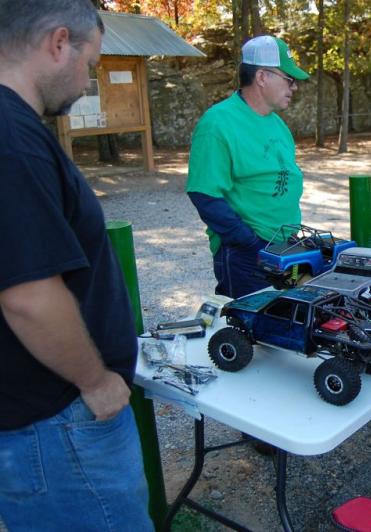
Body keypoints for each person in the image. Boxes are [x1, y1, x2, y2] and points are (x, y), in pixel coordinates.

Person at [0, 1, 152, 529]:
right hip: (58, 423)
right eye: (90, 61)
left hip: (38, 421)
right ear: (58, 42)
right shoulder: (11, 139)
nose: (88, 80)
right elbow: (28, 295)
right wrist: (95, 382)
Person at [187, 35, 309, 299]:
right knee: (247, 328)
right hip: (248, 254)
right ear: (262, 76)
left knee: (286, 320)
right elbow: (204, 193)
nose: (294, 87)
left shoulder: (276, 123)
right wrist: (249, 242)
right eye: (289, 79)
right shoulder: (218, 123)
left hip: (285, 246)